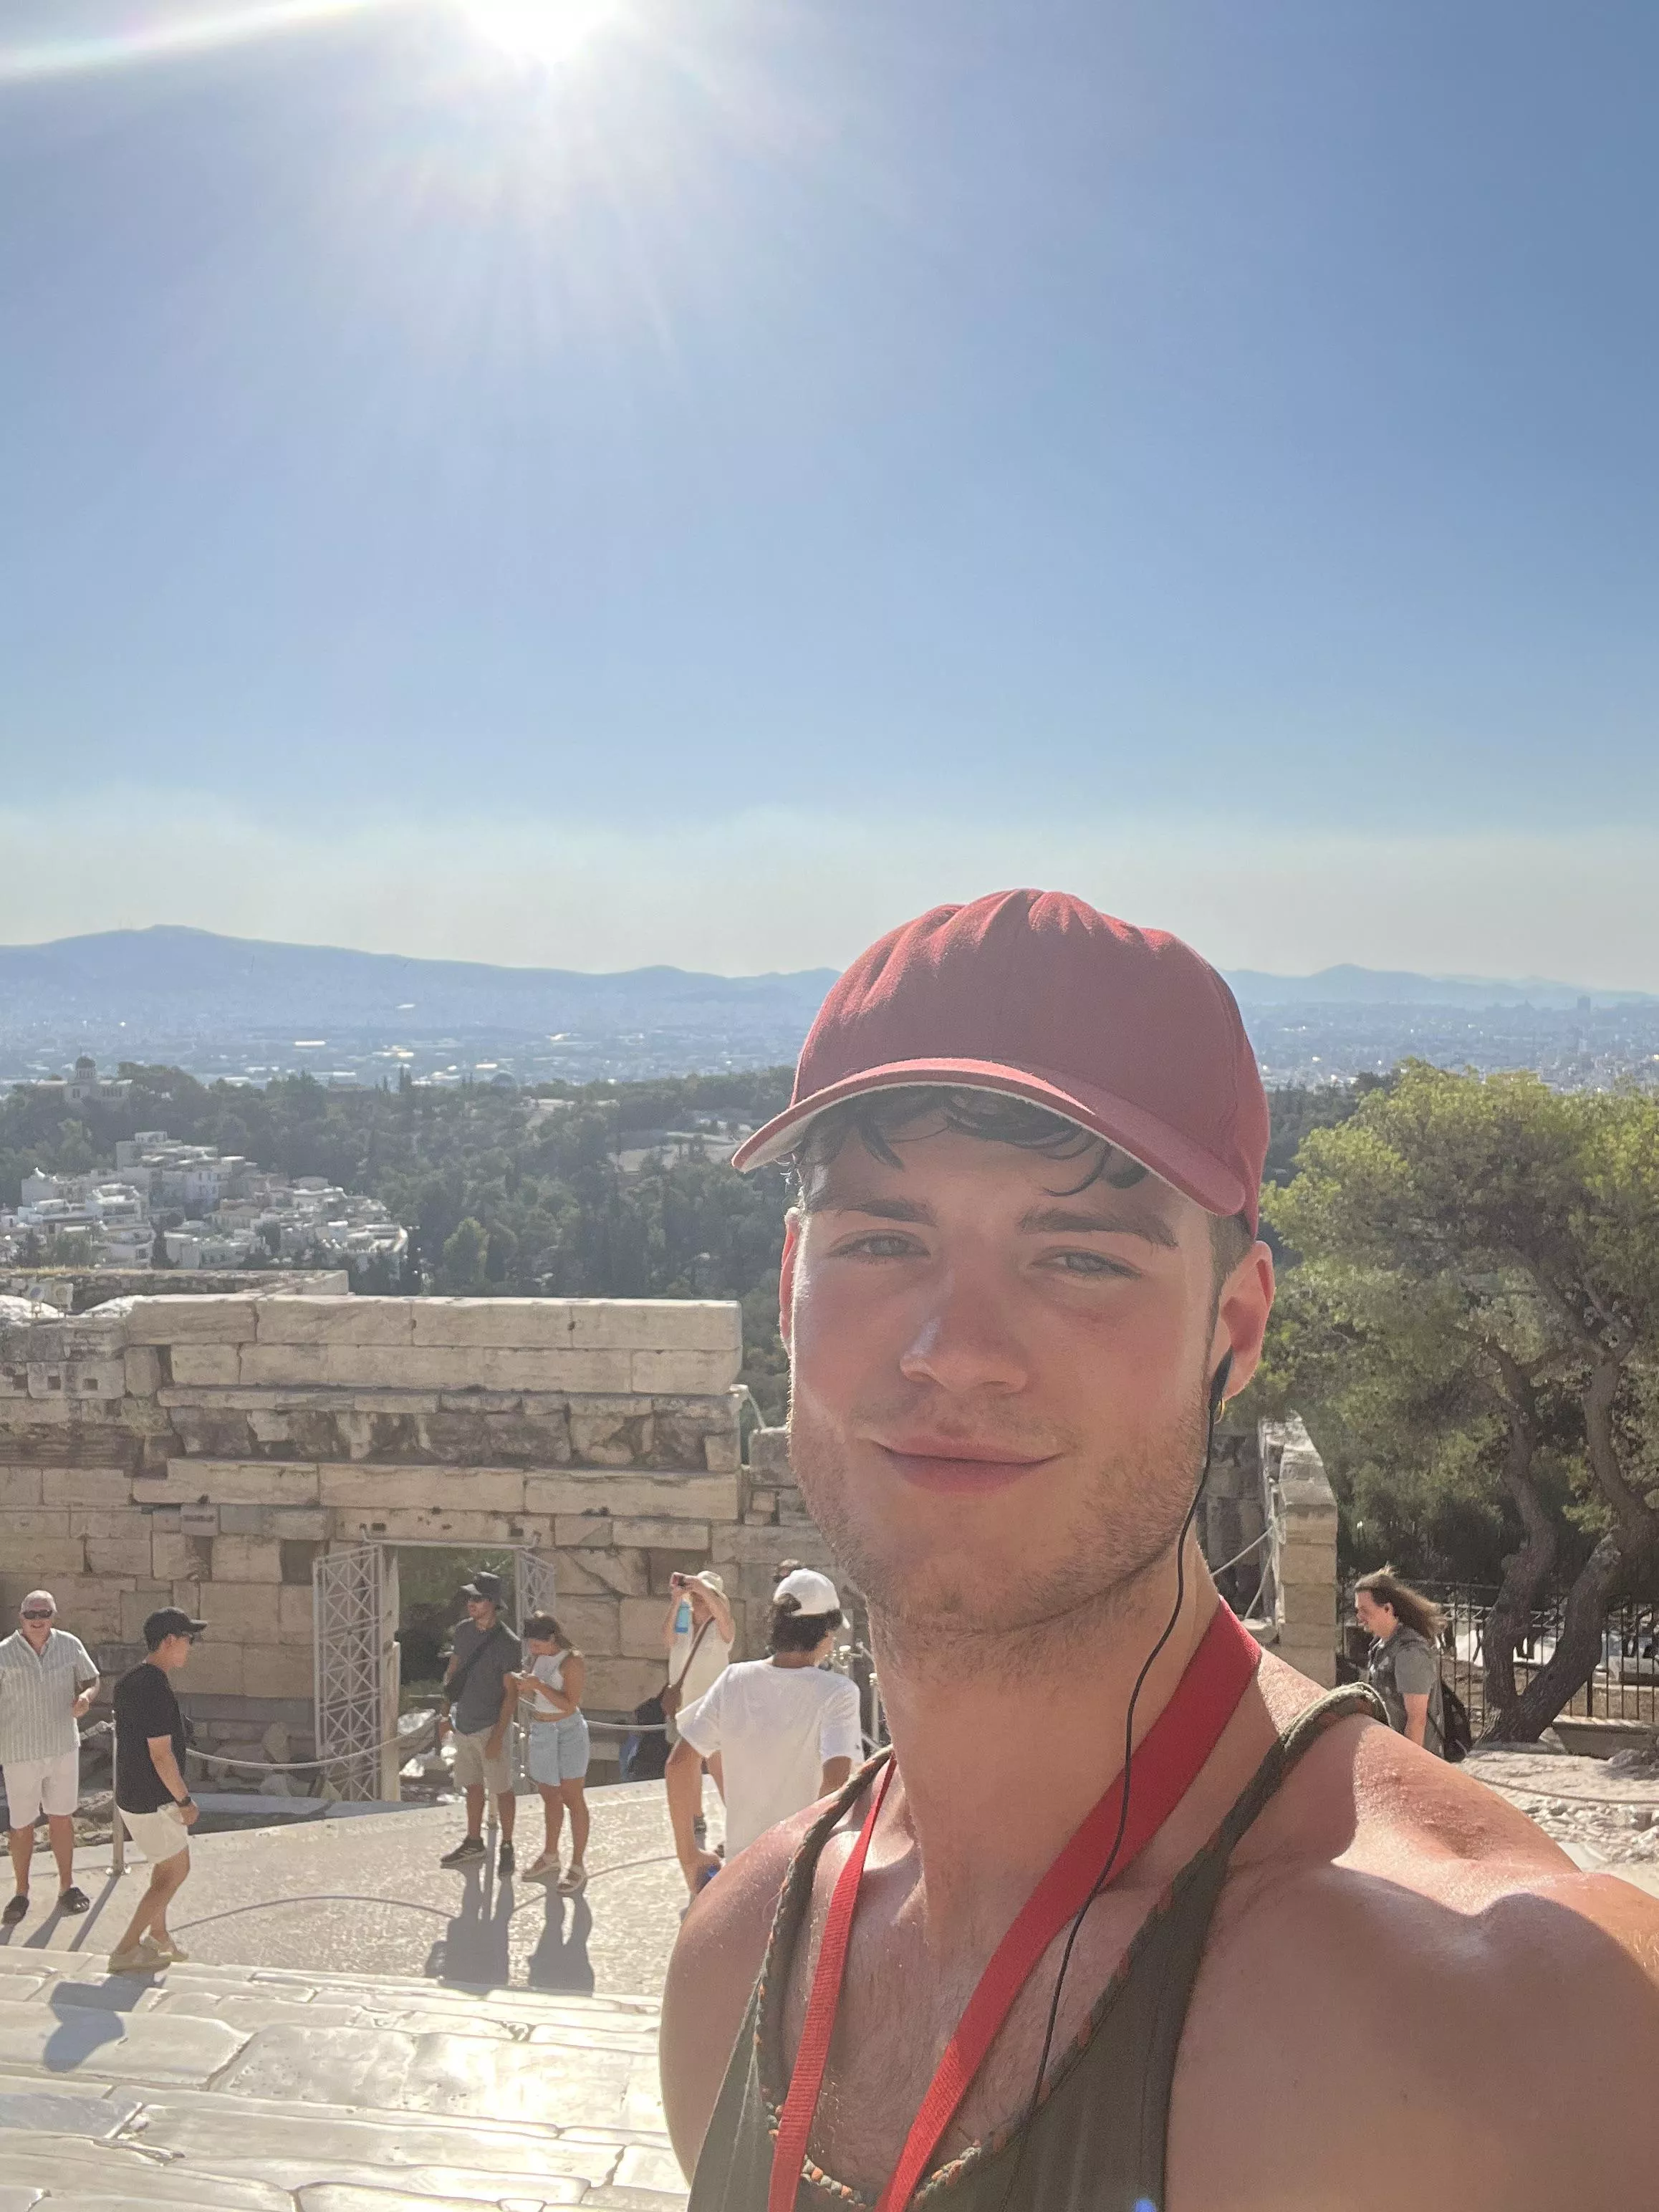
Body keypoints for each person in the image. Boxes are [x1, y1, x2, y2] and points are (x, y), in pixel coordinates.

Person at [660, 889, 1658, 2208]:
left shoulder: (1511, 2041)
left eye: (1079, 1256)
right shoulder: (738, 1967)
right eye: (881, 1239)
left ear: (1234, 1328)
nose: (952, 1346)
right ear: (790, 1282)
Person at [666, 1567, 862, 1897]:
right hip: (798, 1876)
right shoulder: (838, 1692)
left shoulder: (734, 1679)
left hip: (742, 1871)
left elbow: (678, 1765)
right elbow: (834, 1783)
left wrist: (689, 1856)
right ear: (825, 1633)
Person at [109, 1607, 205, 1973]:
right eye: (187, 1639)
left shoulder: (131, 1679)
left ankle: (159, 1938)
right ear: (169, 1642)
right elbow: (161, 1755)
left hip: (133, 1794)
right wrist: (185, 1801)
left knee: (165, 1868)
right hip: (154, 1799)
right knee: (176, 1871)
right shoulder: (155, 1689)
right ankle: (126, 1948)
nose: (190, 1647)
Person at [0, 1588, 99, 1925]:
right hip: (19, 1752)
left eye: (44, 1614)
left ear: (53, 1616)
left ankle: (67, 1886)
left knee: (61, 1818)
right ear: (21, 1617)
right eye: (32, 1614)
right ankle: (22, 1891)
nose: (38, 1620)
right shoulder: (4, 1653)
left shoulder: (69, 1644)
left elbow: (92, 1678)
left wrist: (85, 1696)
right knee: (21, 1825)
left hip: (61, 1748)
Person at [438, 1570, 521, 1875]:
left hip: (490, 1725)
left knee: (502, 1788)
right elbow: (453, 1672)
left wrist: (499, 1735)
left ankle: (508, 1845)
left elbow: (511, 1695)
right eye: (469, 1598)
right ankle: (474, 1841)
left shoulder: (508, 1644)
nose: (471, 1603)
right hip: (465, 1722)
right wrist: (445, 1713)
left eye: (477, 1598)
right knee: (472, 1786)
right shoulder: (463, 1632)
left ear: (492, 1603)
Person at [509, 1611, 592, 1893]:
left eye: (538, 1644)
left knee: (572, 1796)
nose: (534, 1650)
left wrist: (539, 1685)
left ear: (552, 1639)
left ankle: (578, 1863)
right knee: (549, 1796)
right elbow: (536, 1694)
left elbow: (569, 1704)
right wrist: (525, 1685)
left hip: (567, 1731)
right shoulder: (538, 1658)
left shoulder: (572, 1661)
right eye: (531, 1645)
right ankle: (550, 1855)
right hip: (543, 1730)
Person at [662, 1569, 735, 1845]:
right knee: (688, 1764)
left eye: (704, 1597)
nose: (699, 1602)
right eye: (697, 1597)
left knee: (719, 1767)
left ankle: (738, 1820)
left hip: (714, 1707)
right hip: (685, 1705)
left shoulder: (722, 1627)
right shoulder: (683, 1622)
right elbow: (666, 1639)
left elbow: (722, 1614)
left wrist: (704, 1589)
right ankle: (696, 1817)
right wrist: (677, 1600)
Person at [1355, 1568, 1446, 1757]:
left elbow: (1416, 1721)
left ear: (1388, 1609)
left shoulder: (1410, 1652)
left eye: (1365, 1610)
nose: (1359, 1617)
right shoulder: (1381, 1644)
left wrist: (1407, 1769)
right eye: (1358, 1610)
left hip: (1417, 1763)